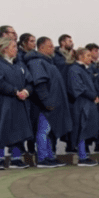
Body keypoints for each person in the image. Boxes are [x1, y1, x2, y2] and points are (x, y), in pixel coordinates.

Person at [0, 37, 33, 170]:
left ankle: (16, 159)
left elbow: (30, 81)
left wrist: (26, 91)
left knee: (18, 132)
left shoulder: (19, 64)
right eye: (14, 47)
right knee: (0, 131)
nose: (16, 50)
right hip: (1, 103)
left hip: (18, 102)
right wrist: (14, 91)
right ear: (4, 49)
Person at [25, 37, 72, 168]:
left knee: (49, 132)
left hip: (53, 105)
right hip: (44, 106)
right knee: (43, 132)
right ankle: (42, 158)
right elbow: (40, 84)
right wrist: (47, 102)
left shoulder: (48, 62)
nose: (53, 48)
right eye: (50, 46)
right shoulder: (37, 62)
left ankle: (50, 157)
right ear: (41, 48)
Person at [67, 48, 99, 166]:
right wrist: (93, 96)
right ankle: (82, 157)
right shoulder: (74, 69)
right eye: (87, 55)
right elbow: (77, 87)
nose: (90, 58)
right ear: (80, 56)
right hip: (81, 104)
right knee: (81, 129)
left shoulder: (85, 70)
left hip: (88, 103)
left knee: (87, 129)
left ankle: (85, 155)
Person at [17, 33, 37, 156]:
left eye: (35, 41)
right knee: (21, 122)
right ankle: (20, 148)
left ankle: (31, 147)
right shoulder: (19, 56)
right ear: (24, 42)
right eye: (31, 41)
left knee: (33, 122)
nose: (34, 44)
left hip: (32, 93)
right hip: (21, 93)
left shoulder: (33, 56)